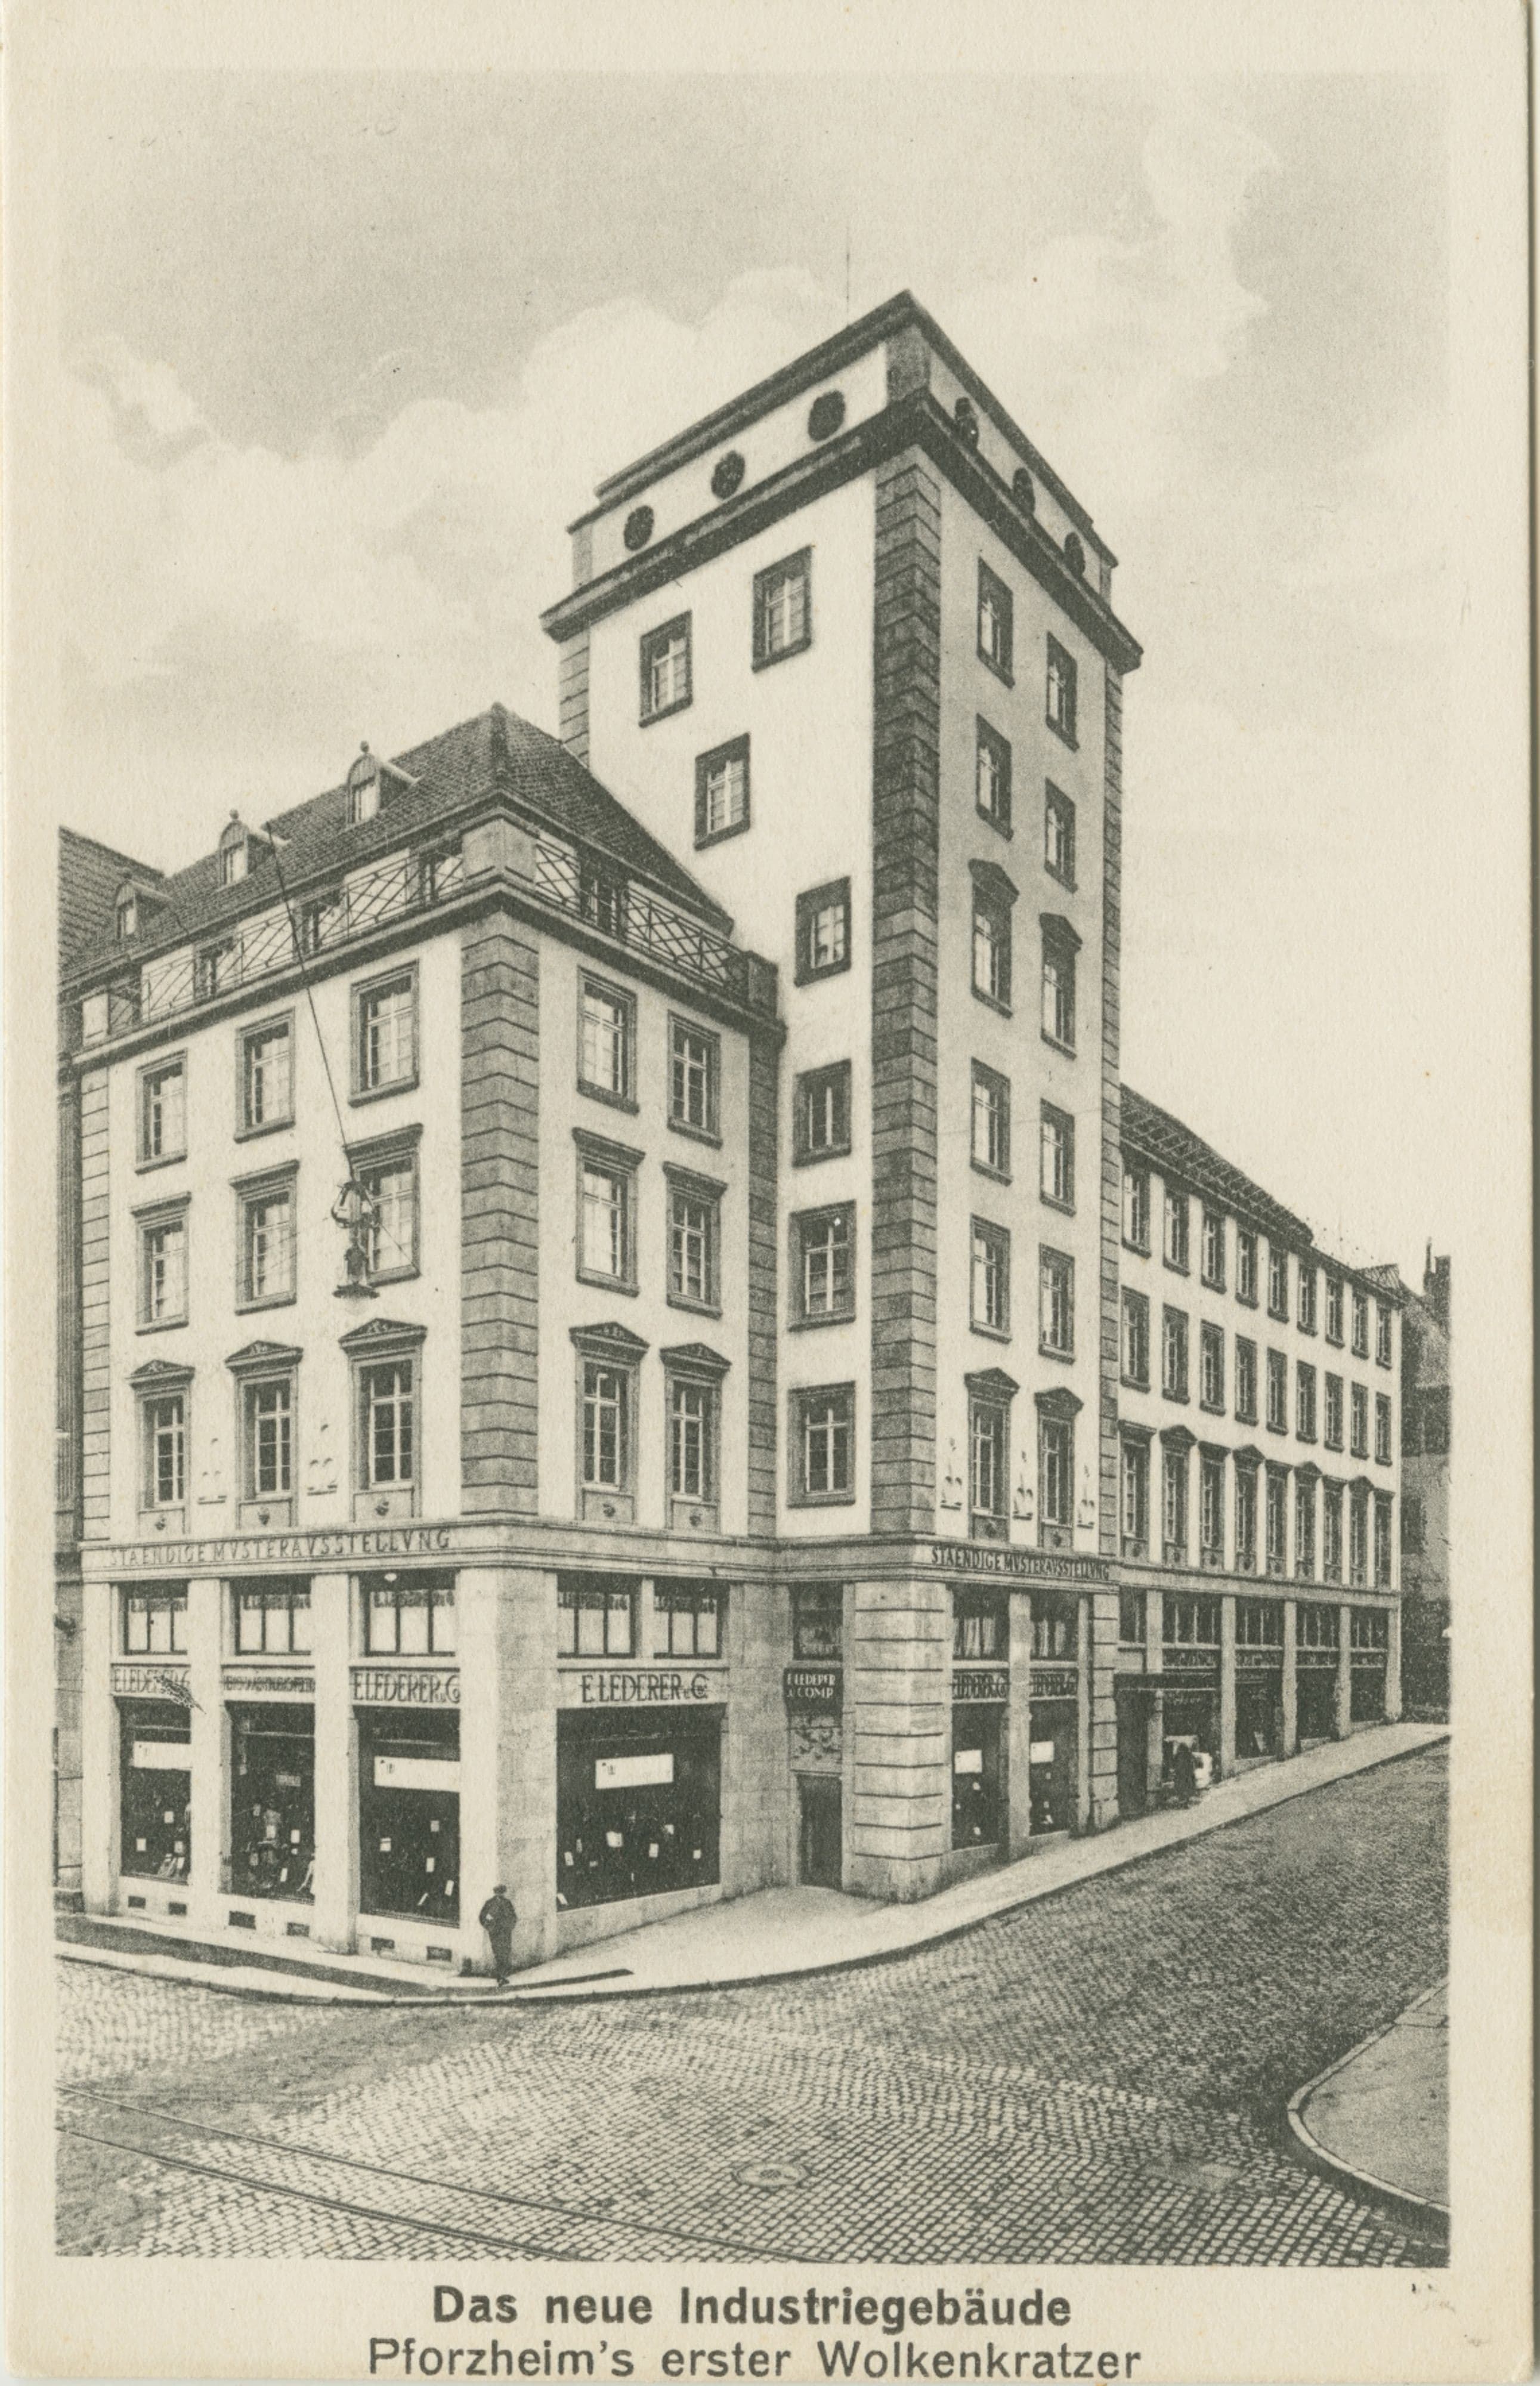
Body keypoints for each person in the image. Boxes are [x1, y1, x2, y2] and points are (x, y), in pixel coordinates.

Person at [478, 1883, 517, 1985]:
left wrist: (509, 1928)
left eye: (500, 1893)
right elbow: (482, 1916)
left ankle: (501, 1976)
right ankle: (501, 1976)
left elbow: (513, 1917)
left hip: (503, 1933)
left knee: (503, 1954)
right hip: (498, 1933)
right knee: (500, 1954)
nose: (500, 1895)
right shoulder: (492, 1903)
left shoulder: (505, 1903)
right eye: (499, 1893)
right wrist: (489, 1928)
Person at [1171, 1739, 1199, 1808]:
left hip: (1180, 1776)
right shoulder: (1188, 1755)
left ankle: (1182, 1803)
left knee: (1181, 1790)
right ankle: (1185, 1803)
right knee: (1186, 1789)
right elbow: (1193, 1764)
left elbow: (1174, 1764)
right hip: (1187, 1776)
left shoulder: (1178, 1755)